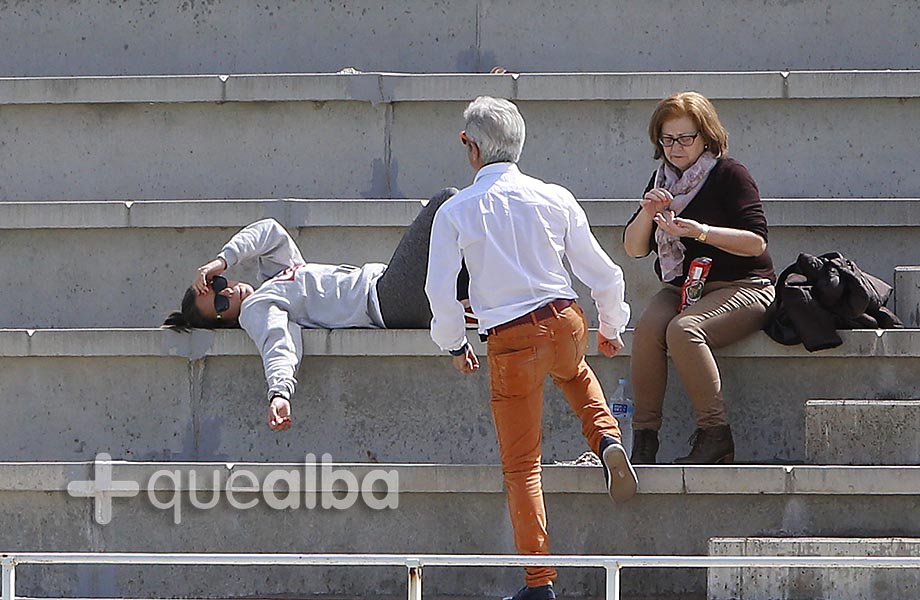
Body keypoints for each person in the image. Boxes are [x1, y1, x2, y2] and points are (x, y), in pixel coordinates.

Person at [426, 96, 637, 600]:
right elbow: (604, 272)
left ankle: (539, 583)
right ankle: (607, 441)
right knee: (576, 373)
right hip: (565, 319)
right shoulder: (555, 196)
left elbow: (438, 291)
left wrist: (454, 343)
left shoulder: (456, 210)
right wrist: (611, 324)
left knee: (522, 466)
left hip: (510, 338)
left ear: (468, 146)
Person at [164, 188, 468, 431]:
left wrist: (221, 260)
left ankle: (476, 296)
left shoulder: (276, 276)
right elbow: (277, 342)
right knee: (446, 202)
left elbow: (269, 231)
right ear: (225, 321)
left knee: (470, 262)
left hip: (390, 290)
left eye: (219, 284)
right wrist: (279, 393)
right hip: (385, 300)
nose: (227, 291)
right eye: (220, 302)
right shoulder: (257, 308)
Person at [623, 91, 776, 465]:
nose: (675, 148)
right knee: (647, 331)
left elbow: (756, 243)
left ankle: (715, 436)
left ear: (706, 136)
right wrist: (648, 213)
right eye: (667, 139)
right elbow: (633, 248)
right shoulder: (662, 180)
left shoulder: (730, 175)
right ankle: (644, 440)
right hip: (684, 287)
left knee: (683, 330)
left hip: (744, 287)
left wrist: (700, 232)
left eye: (685, 138)